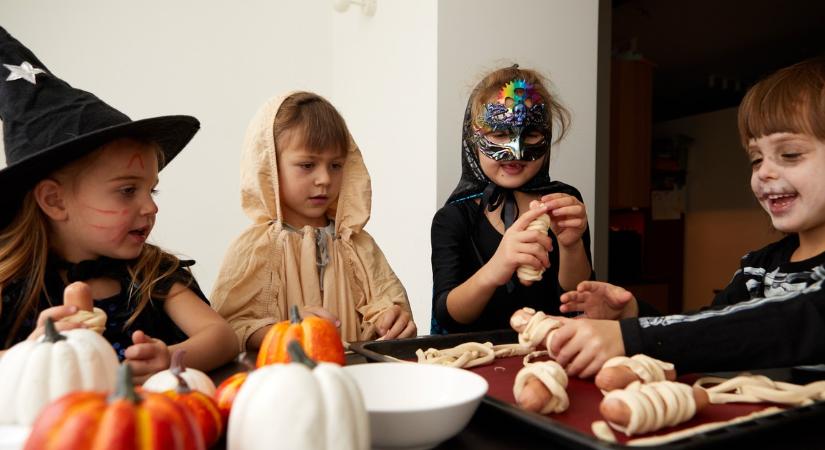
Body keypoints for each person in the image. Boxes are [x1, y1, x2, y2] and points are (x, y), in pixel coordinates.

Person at [550, 56, 825, 378]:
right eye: (755, 158)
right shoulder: (758, 268)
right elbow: (712, 327)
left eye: (789, 154)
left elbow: (786, 323)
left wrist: (633, 337)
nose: (764, 171)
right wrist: (632, 314)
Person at [0, 26, 237, 382]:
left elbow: (222, 338)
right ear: (54, 201)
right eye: (128, 191)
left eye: (151, 191)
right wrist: (32, 353)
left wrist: (169, 358)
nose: (150, 208)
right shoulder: (10, 284)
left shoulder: (151, 273)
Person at [211, 92, 416, 350]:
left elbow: (385, 302)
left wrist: (392, 320)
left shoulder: (358, 244)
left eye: (336, 165)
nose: (325, 179)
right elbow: (231, 327)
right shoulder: (255, 248)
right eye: (307, 165)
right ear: (269, 167)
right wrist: (286, 333)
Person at [431, 65, 594, 334]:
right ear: (473, 139)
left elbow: (577, 300)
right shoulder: (453, 219)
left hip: (552, 351)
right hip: (480, 359)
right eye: (499, 134)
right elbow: (448, 315)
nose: (515, 150)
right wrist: (497, 266)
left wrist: (571, 245)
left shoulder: (563, 202)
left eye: (530, 135)